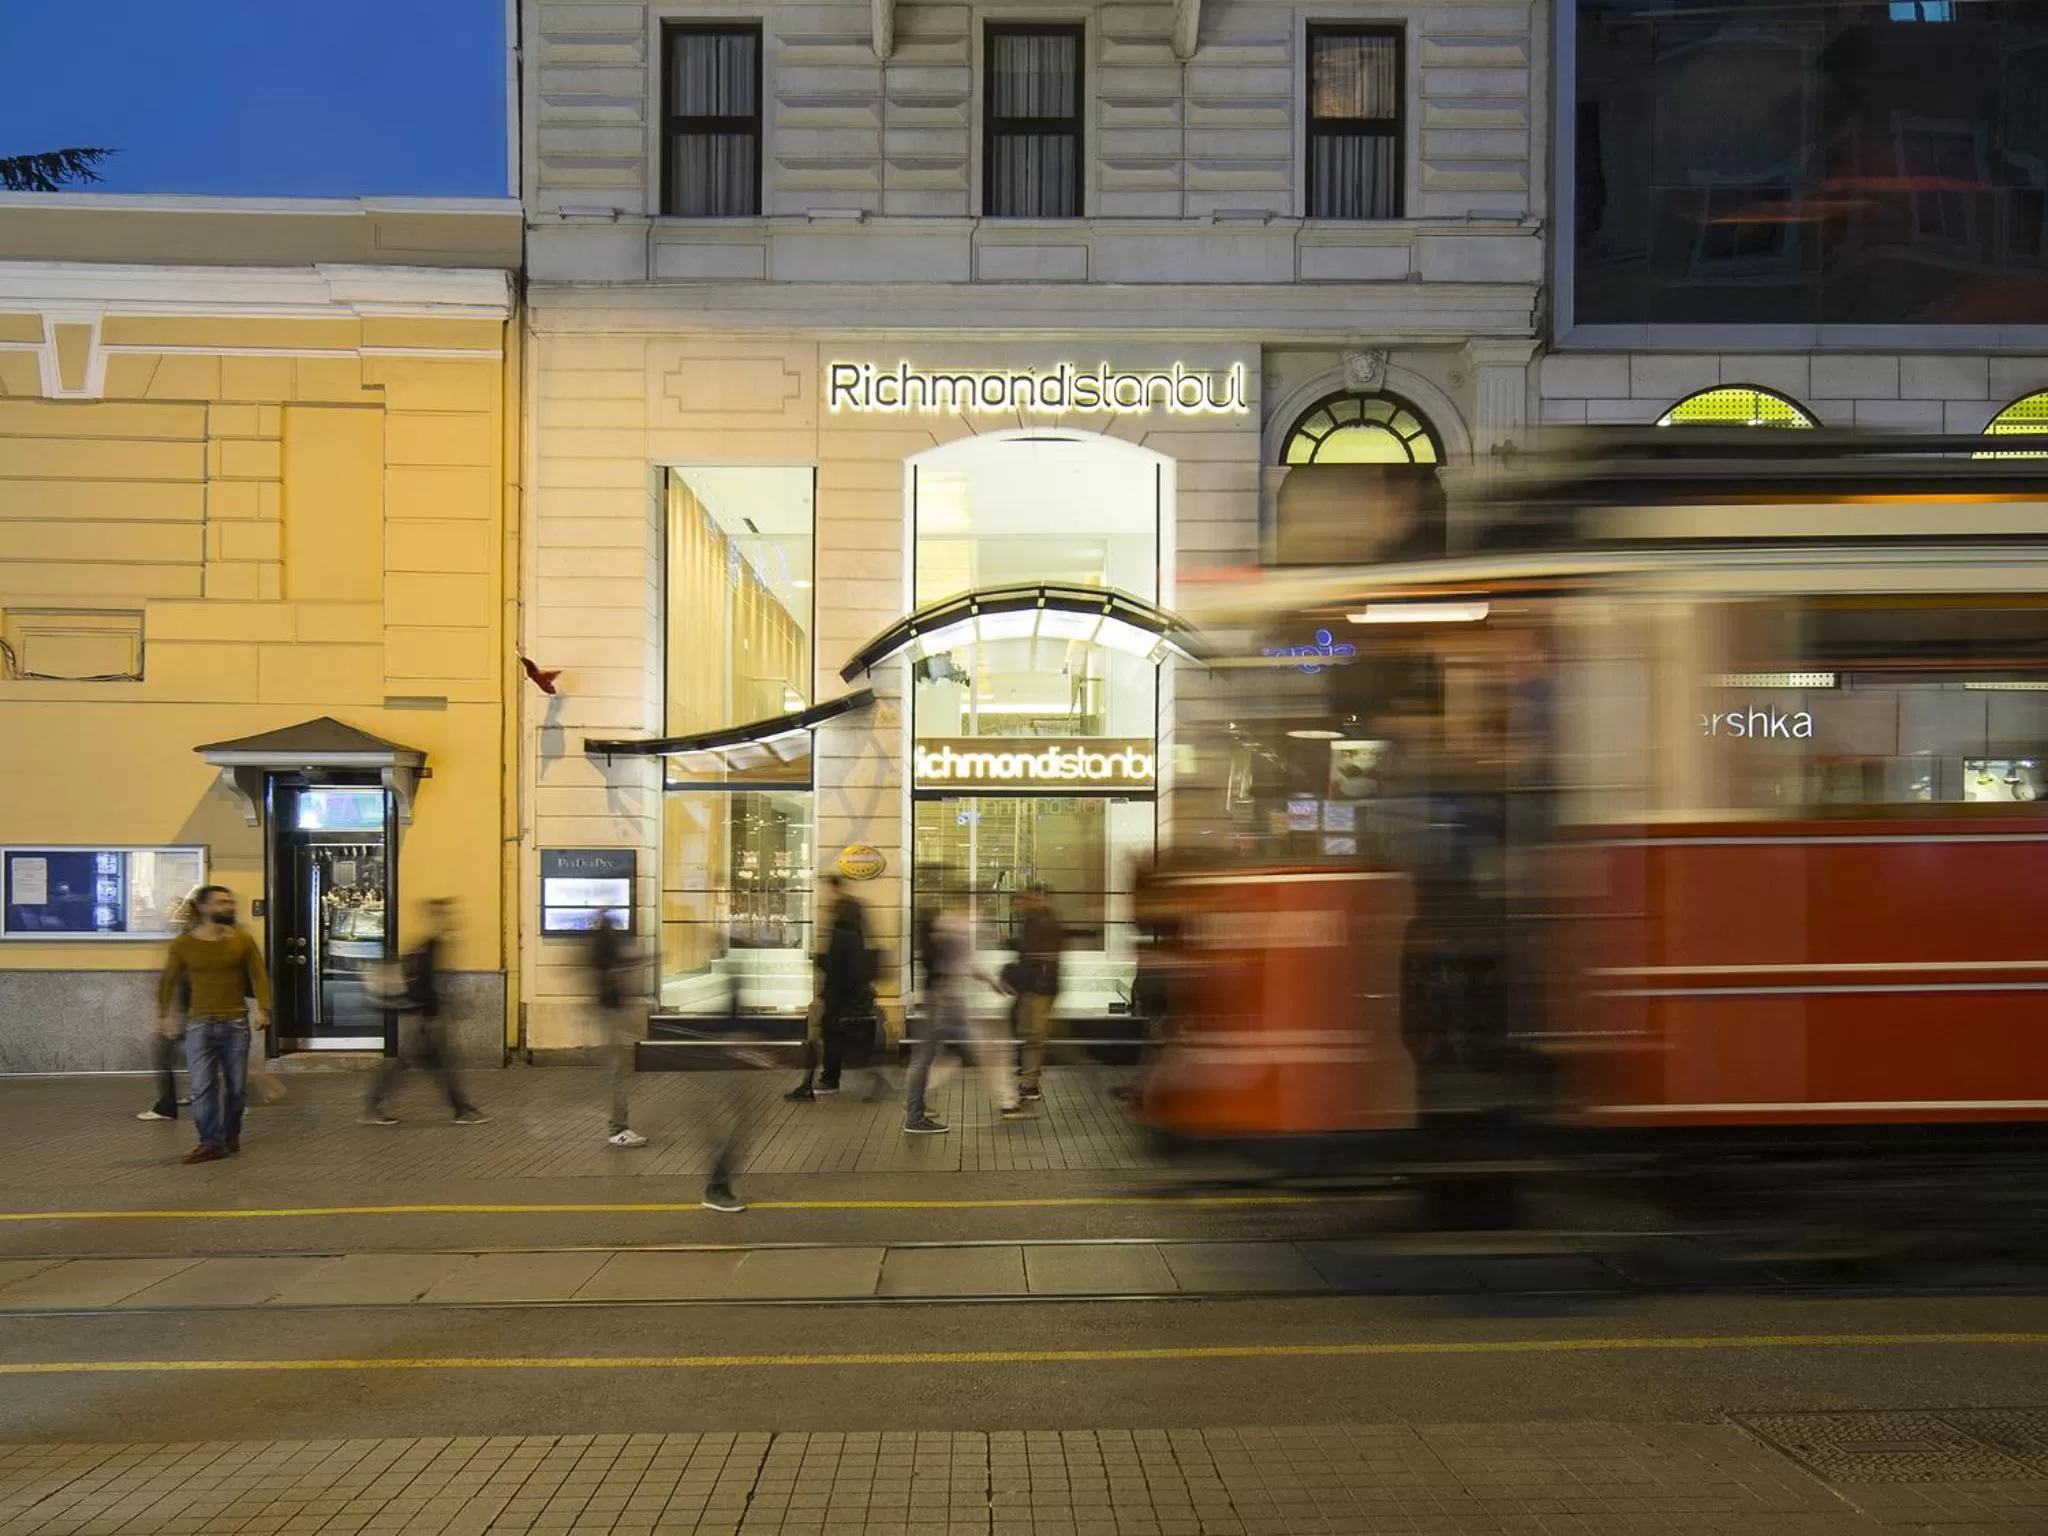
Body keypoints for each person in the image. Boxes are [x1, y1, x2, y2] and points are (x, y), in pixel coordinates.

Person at [156, 885, 268, 1164]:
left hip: (235, 1024)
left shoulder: (242, 940)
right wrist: (164, 1015)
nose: (228, 907)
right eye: (220, 903)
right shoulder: (184, 944)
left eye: (229, 902)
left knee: (236, 1087)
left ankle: (231, 1133)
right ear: (204, 908)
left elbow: (259, 975)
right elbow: (168, 980)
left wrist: (263, 1009)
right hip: (199, 1024)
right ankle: (210, 1142)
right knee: (202, 1087)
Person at [361, 898, 486, 1126]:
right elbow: (424, 986)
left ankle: (461, 1108)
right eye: (447, 915)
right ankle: (461, 1109)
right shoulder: (431, 945)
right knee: (429, 1064)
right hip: (425, 1019)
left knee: (425, 1064)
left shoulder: (429, 944)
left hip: (424, 1017)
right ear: (437, 918)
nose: (453, 919)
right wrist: (430, 1017)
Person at [905, 910, 1019, 1134]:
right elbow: (960, 965)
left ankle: (915, 1108)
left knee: (938, 1056)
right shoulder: (951, 929)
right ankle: (914, 1115)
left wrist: (991, 982)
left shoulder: (943, 928)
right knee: (943, 1055)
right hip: (945, 1003)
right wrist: (992, 982)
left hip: (943, 1002)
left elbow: (961, 965)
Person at [784, 876, 872, 1103]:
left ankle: (826, 1079)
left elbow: (839, 966)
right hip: (844, 994)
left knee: (829, 1035)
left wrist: (821, 962)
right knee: (833, 1036)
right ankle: (825, 1078)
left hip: (838, 994)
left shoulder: (842, 934)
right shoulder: (854, 931)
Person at [593, 911, 648, 1147]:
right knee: (617, 1071)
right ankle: (617, 1128)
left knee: (619, 1070)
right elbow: (610, 972)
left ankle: (619, 1126)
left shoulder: (602, 948)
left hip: (613, 1012)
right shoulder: (604, 952)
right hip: (612, 1013)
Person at [1012, 884, 1064, 1104]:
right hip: (1033, 988)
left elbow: (1042, 958)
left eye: (1027, 899)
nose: (1022, 903)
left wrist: (1034, 984)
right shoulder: (1034, 921)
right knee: (1030, 1034)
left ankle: (1029, 1083)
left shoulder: (1044, 923)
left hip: (1038, 989)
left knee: (1033, 1036)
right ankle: (1029, 1077)